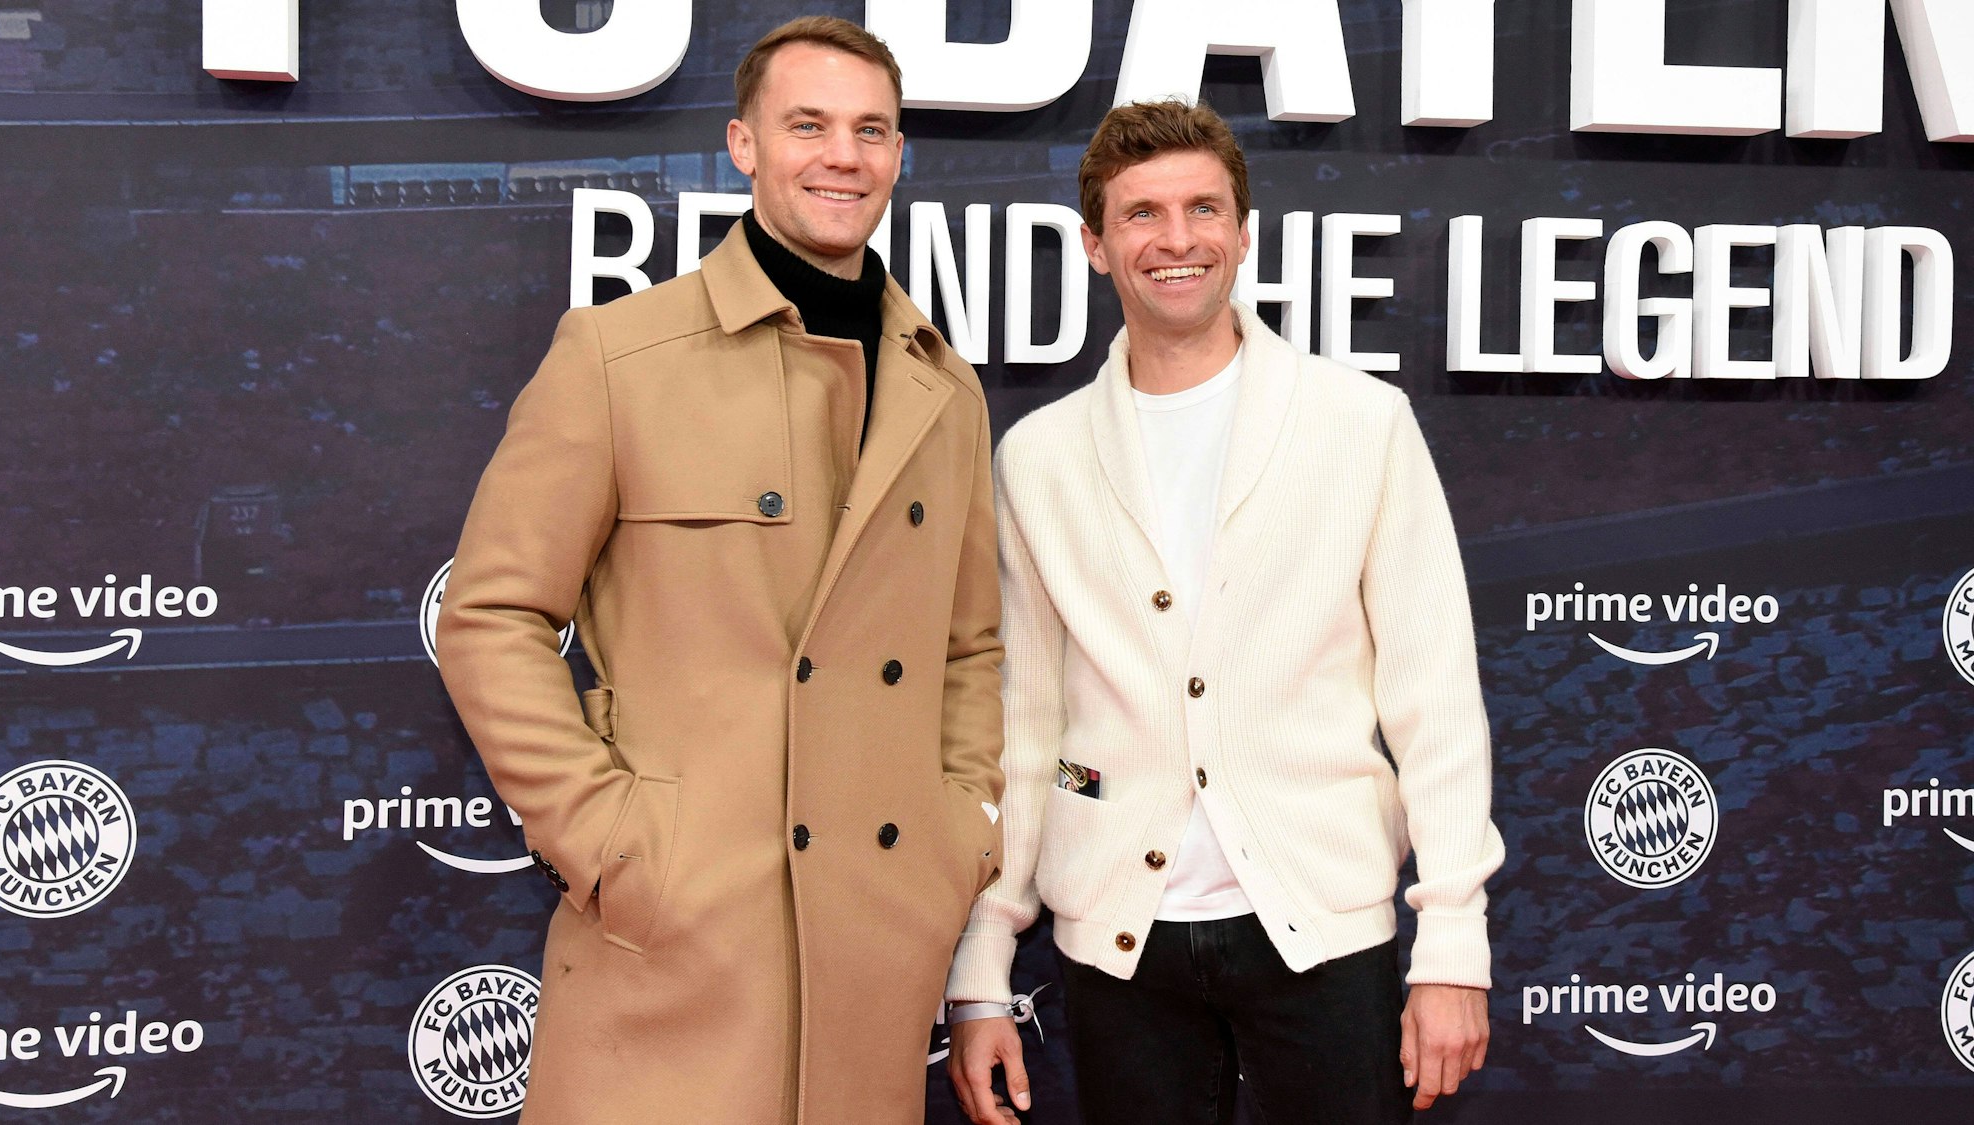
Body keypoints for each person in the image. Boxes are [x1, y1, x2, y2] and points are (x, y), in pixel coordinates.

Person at [436, 17, 1005, 1125]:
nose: (841, 155)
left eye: (869, 130)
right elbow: (491, 614)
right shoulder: (616, 356)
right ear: (743, 146)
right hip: (679, 944)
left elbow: (966, 644)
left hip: (875, 943)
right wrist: (612, 843)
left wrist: (957, 835)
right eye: (808, 126)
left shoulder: (946, 387)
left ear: (897, 156)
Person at [945, 99, 1505, 1125]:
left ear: (1242, 233)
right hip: (1116, 944)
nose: (1174, 239)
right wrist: (987, 953)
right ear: (1095, 244)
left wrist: (1453, 943)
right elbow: (1037, 732)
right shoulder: (1039, 457)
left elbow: (1428, 701)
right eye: (1141, 214)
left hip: (1324, 928)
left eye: (1202, 208)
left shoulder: (1360, 424)